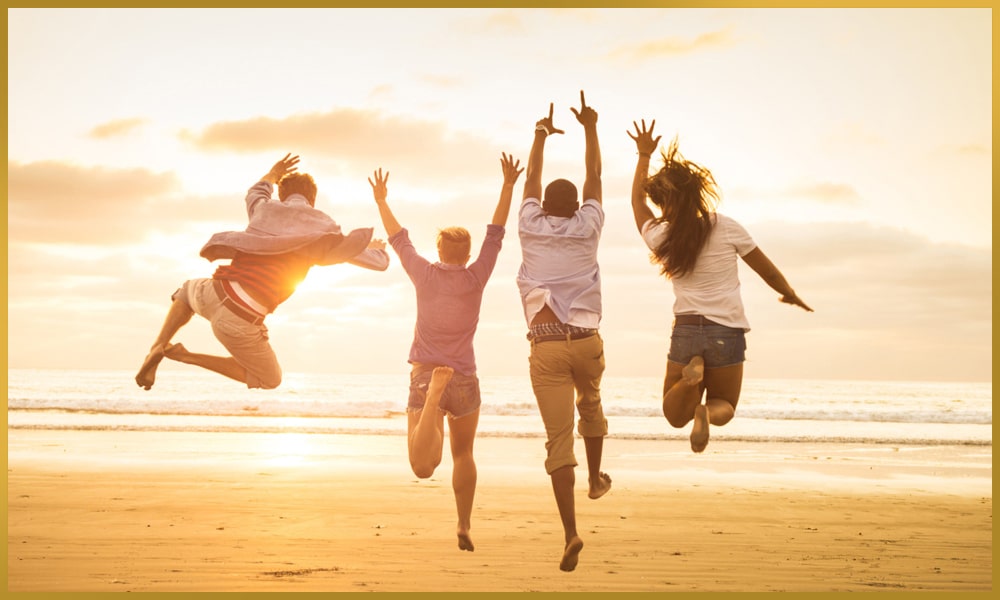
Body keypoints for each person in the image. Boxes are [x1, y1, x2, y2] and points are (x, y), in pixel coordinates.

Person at [367, 152, 523, 553]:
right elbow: (496, 232)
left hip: (425, 376)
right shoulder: (477, 275)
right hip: (465, 378)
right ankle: (464, 523)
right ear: (467, 255)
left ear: (438, 252)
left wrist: (382, 199)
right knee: (464, 453)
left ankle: (434, 399)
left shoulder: (424, 273)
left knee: (423, 467)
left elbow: (399, 237)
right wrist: (508, 185)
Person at [627, 119, 813, 453]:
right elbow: (766, 270)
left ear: (665, 203)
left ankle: (690, 379)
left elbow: (637, 204)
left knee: (673, 415)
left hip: (686, 328)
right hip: (726, 331)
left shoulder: (661, 236)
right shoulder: (725, 227)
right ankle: (705, 413)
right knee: (724, 403)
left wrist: (643, 156)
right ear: (696, 194)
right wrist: (789, 293)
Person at [135, 153, 390, 390]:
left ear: (282, 195)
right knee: (270, 379)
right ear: (313, 199)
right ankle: (183, 355)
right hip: (241, 319)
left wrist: (272, 173)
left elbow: (256, 191)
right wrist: (377, 248)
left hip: (214, 292)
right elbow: (377, 263)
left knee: (187, 289)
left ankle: (157, 346)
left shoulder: (265, 209)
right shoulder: (322, 229)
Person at [516, 91, 612, 573]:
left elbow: (531, 180)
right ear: (575, 206)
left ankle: (572, 532)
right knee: (590, 402)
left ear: (544, 206)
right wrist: (590, 127)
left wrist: (539, 136)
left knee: (558, 439)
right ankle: (596, 478)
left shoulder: (529, 225)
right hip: (586, 342)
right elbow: (595, 177)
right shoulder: (589, 225)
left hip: (547, 346)